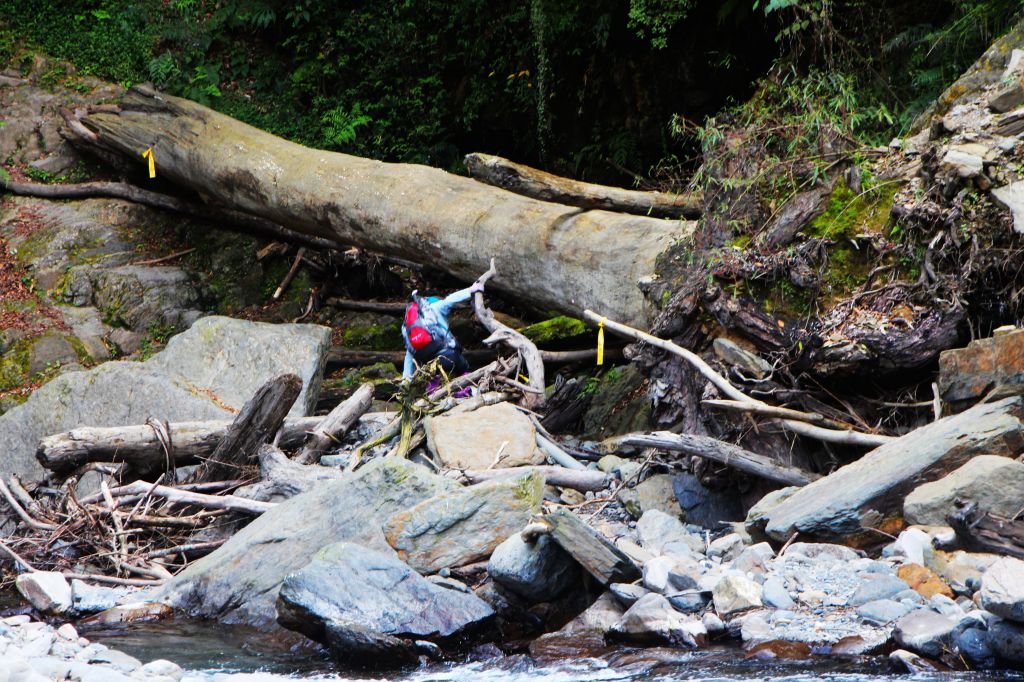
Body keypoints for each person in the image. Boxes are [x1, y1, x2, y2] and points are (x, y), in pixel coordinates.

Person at [401, 281, 484, 380]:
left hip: (427, 365)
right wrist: (470, 290)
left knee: (435, 379)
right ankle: (471, 387)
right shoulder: (435, 307)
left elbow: (409, 354)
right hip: (449, 357)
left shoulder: (407, 327)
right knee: (464, 371)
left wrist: (405, 380)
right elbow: (450, 300)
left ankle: (435, 388)